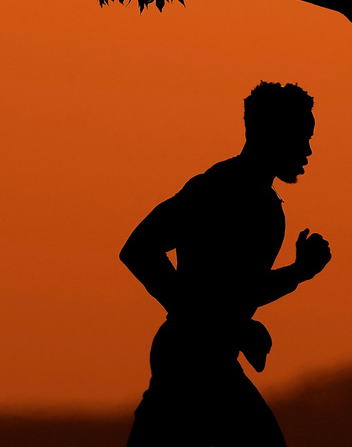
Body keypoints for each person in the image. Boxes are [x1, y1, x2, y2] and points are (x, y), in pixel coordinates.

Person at [120, 81, 332, 446]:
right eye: (301, 136)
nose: (308, 150)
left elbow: (235, 290)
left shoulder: (264, 203)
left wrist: (295, 276)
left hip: (208, 357)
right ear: (270, 133)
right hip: (191, 362)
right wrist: (207, 322)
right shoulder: (217, 189)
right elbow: (138, 249)